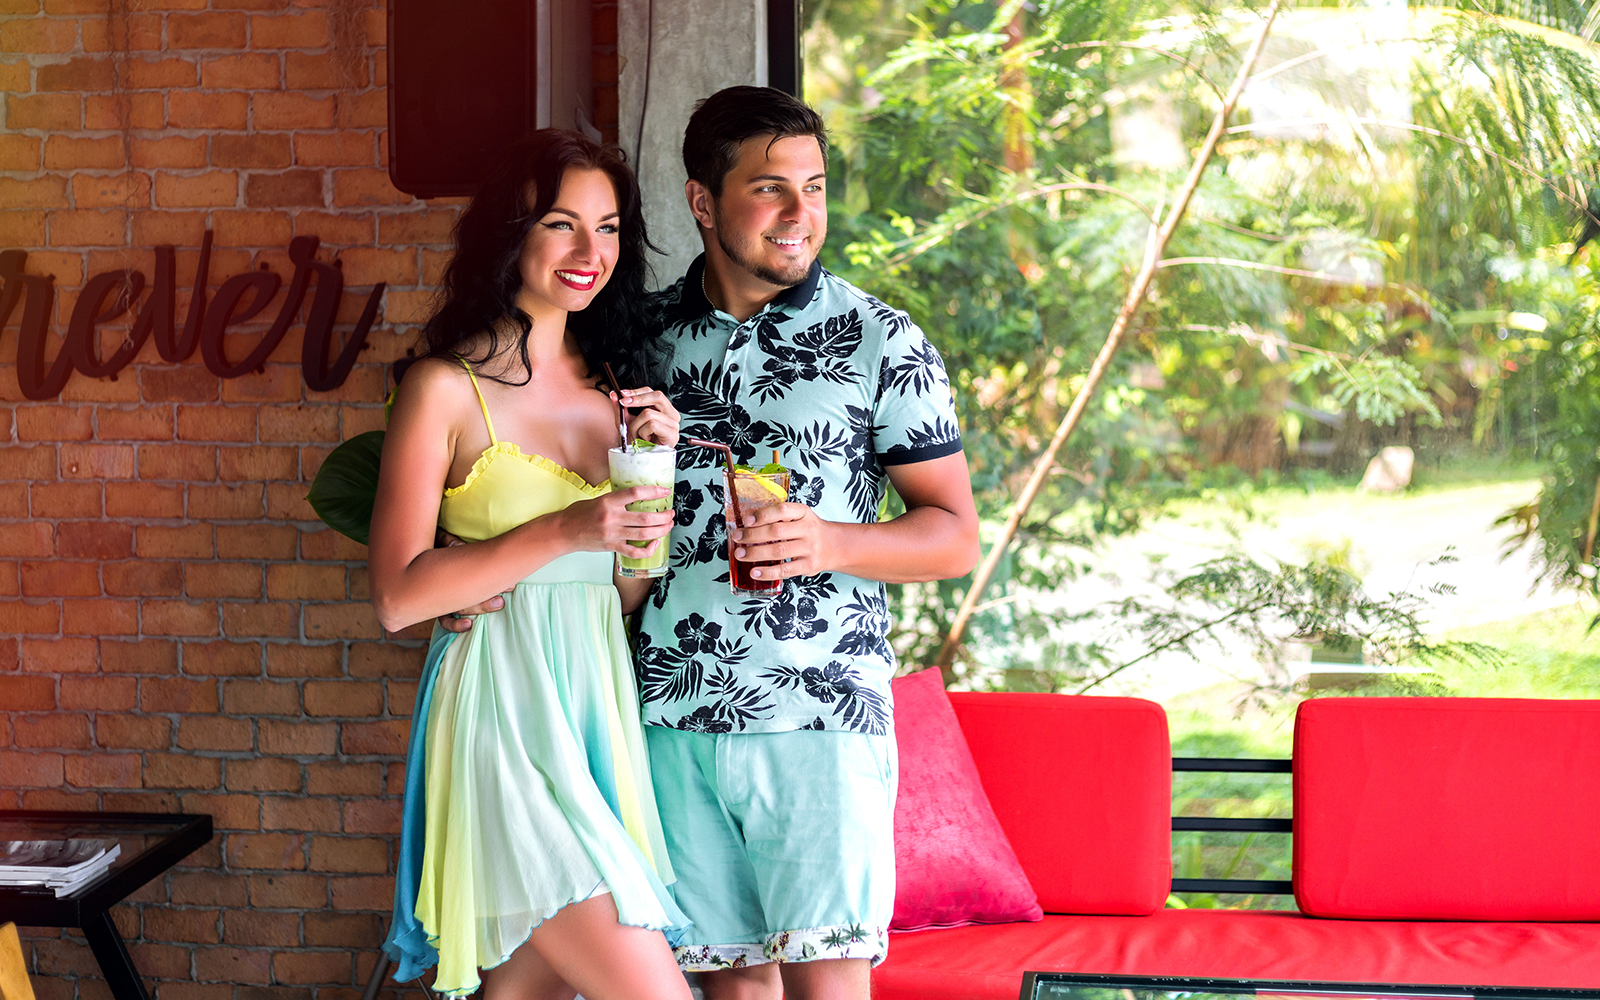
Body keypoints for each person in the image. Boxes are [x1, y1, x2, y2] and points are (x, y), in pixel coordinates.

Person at [636, 86, 981, 1000]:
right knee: (731, 987)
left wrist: (829, 540)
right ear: (702, 202)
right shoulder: (644, 341)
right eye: (771, 188)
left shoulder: (882, 340)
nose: (802, 214)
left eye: (817, 187)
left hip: (822, 715)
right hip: (674, 716)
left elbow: (953, 537)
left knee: (828, 986)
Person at [368, 129, 694, 1000]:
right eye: (562, 223)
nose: (592, 252)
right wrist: (563, 530)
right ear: (509, 235)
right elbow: (399, 597)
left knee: (526, 993)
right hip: (500, 716)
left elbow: (624, 592)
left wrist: (655, 472)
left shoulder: (616, 396)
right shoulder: (444, 388)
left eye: (611, 227)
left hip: (594, 712)